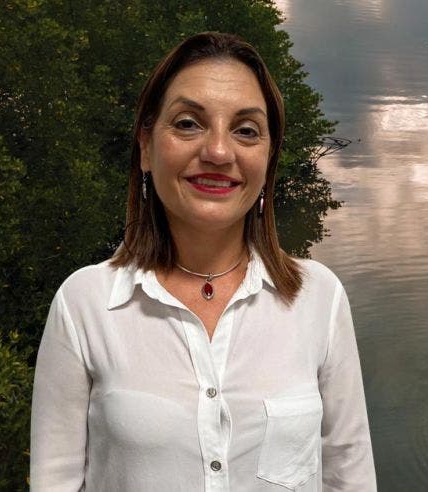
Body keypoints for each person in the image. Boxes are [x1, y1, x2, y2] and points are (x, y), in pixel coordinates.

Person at [30, 32, 376, 491]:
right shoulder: (84, 304)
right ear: (146, 146)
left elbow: (350, 476)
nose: (217, 152)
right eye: (188, 123)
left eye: (246, 130)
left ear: (269, 157)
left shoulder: (320, 297)